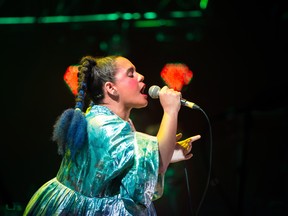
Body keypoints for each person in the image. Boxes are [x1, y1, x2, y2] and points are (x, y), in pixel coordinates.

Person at [23, 55, 201, 215]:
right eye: (131, 74)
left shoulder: (110, 121)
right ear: (111, 88)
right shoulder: (103, 126)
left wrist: (170, 152)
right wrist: (170, 111)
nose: (141, 77)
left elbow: (123, 166)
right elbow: (158, 161)